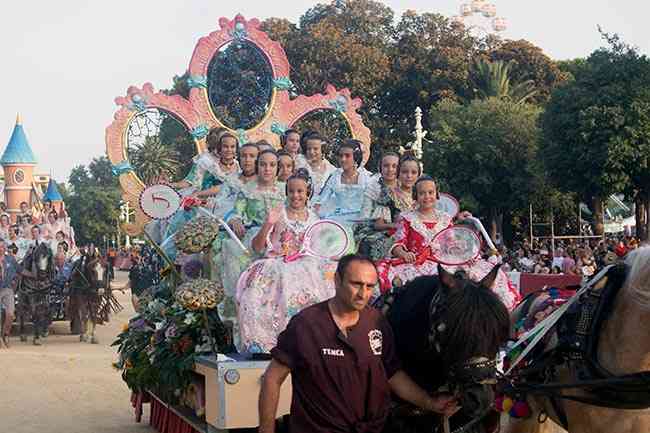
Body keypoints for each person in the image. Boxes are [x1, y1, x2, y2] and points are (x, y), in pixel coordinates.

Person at [258, 254, 459, 433]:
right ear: (337, 281)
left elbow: (393, 375)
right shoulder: (306, 324)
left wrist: (429, 402)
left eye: (370, 286)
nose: (363, 294)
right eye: (356, 284)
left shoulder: (377, 323)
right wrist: (266, 429)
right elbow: (272, 379)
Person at [236, 169, 337, 353]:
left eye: (300, 191)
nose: (295, 195)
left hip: (307, 265)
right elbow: (257, 247)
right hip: (277, 264)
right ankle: (267, 344)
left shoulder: (314, 218)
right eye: (291, 191)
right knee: (258, 295)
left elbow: (318, 248)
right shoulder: (278, 214)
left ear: (308, 194)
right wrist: (268, 223)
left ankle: (314, 342)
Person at [313, 139, 373, 225]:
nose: (343, 159)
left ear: (356, 157)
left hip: (361, 219)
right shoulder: (335, 176)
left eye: (347, 156)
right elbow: (321, 200)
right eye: (341, 156)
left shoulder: (367, 177)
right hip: (338, 218)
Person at [0, 239, 21, 348]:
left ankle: (5, 334)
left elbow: (20, 270)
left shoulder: (10, 259)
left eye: (3, 246)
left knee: (10, 314)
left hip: (7, 289)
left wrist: (34, 275)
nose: (1, 249)